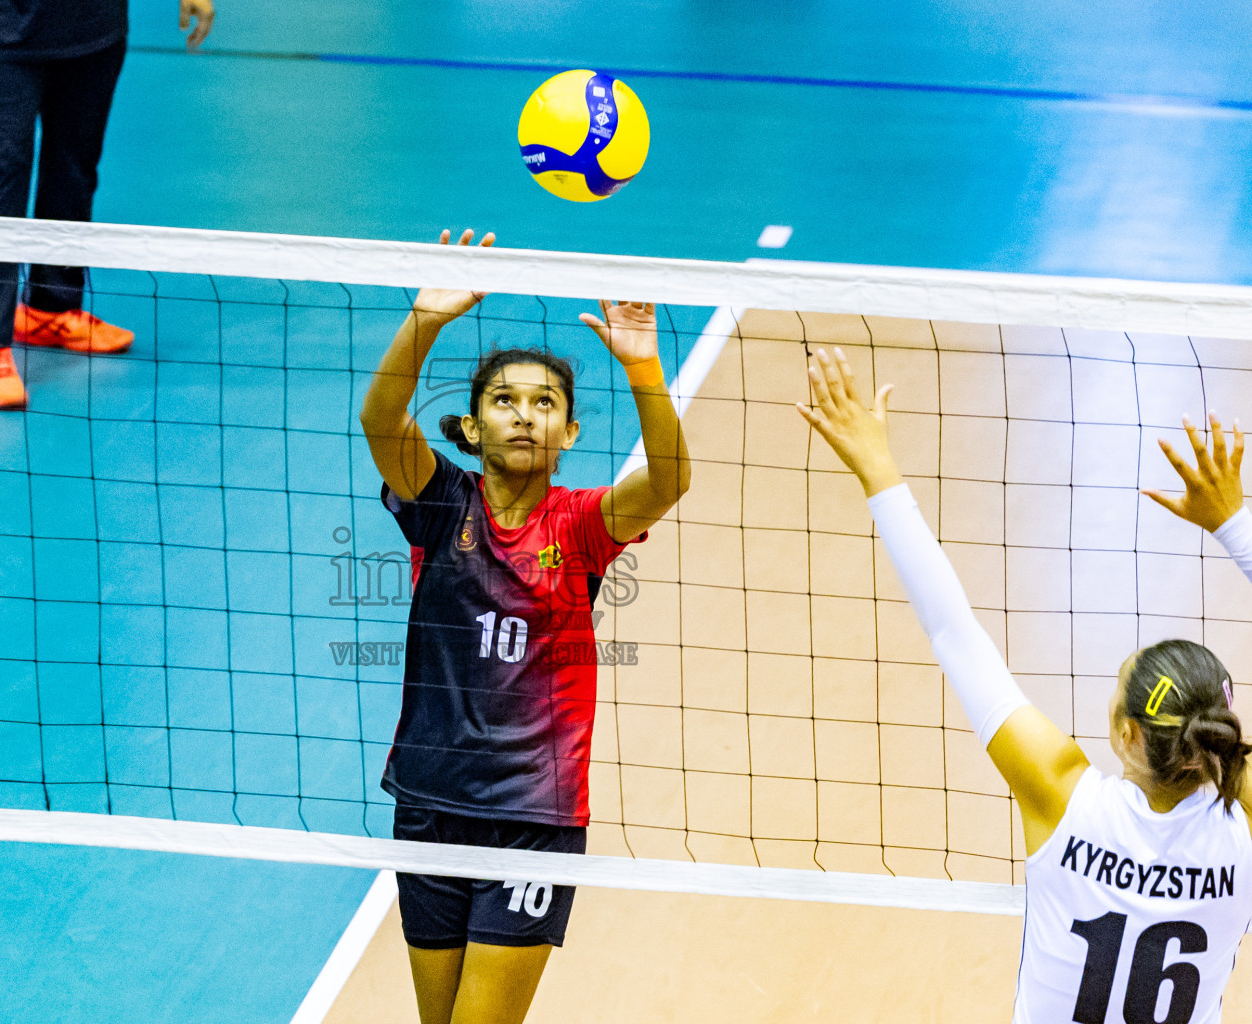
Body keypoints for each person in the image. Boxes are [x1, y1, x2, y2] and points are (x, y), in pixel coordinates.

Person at [798, 346, 1252, 1024]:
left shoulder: (1061, 793)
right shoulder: (1240, 830)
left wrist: (878, 468)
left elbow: (953, 631)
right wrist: (1233, 523)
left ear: (1127, 734)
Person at [360, 228, 691, 1024]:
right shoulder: (444, 505)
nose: (523, 415)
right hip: (429, 801)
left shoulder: (581, 525)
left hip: (532, 815)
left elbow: (672, 478)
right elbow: (379, 420)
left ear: (569, 434)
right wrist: (426, 320)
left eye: (545, 404)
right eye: (503, 400)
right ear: (471, 429)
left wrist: (642, 366)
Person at [0, 0, 214, 409]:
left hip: (95, 30)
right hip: (2, 33)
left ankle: (51, 308)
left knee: (74, 168)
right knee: (0, 175)